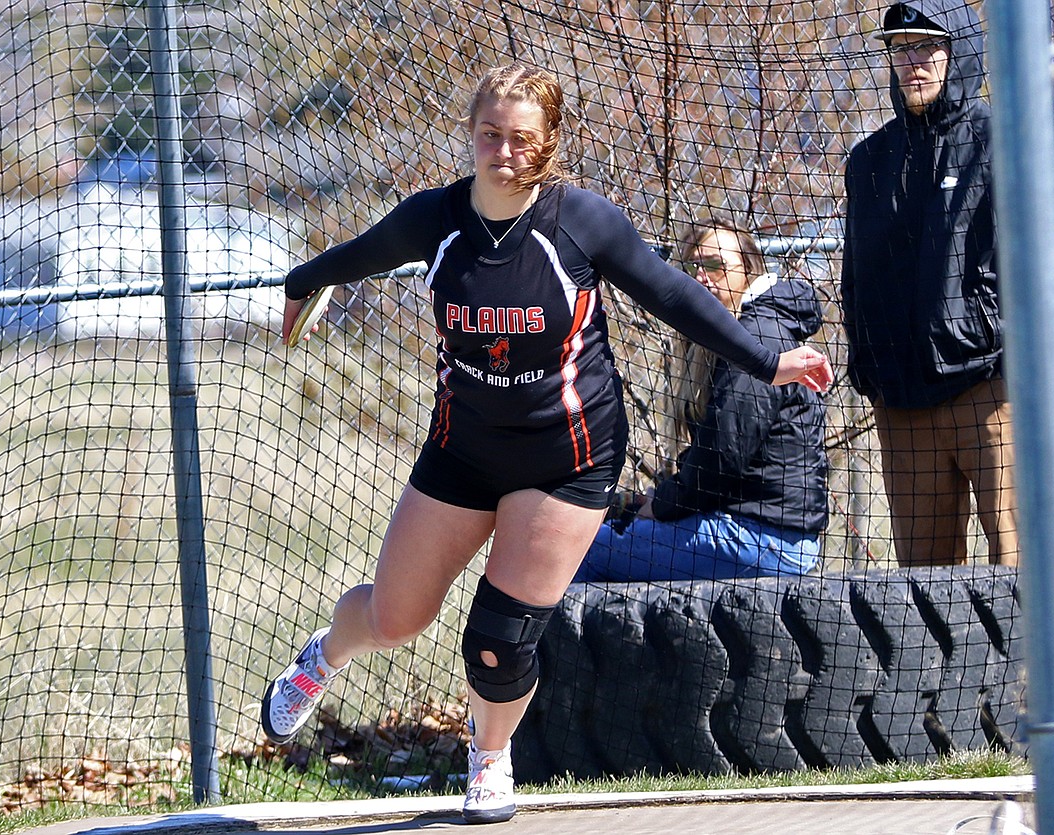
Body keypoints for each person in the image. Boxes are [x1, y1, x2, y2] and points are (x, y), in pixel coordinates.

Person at [261, 63, 833, 825]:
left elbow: (673, 294)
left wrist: (769, 359)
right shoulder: (435, 219)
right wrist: (301, 280)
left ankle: (490, 760)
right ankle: (324, 654)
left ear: (549, 145)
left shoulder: (581, 222)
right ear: (471, 134)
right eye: (489, 134)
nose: (502, 151)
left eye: (520, 139)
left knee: (497, 638)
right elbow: (354, 255)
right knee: (397, 618)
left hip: (568, 456)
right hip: (462, 450)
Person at [840, 0, 1019, 568]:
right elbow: (856, 276)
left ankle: (1027, 665)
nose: (913, 62)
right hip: (901, 400)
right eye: (900, 49)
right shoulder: (868, 160)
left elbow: (1029, 262)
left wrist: (983, 332)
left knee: (1017, 567)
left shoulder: (1000, 139)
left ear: (958, 51)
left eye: (927, 47)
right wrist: (870, 362)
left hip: (987, 389)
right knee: (925, 587)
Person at [572, 220, 829, 583]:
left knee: (573, 552)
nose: (702, 277)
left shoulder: (758, 337)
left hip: (763, 539)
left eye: (715, 266)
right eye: (692, 268)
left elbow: (721, 460)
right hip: (754, 530)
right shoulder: (737, 336)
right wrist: (659, 499)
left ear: (749, 270)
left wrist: (661, 506)